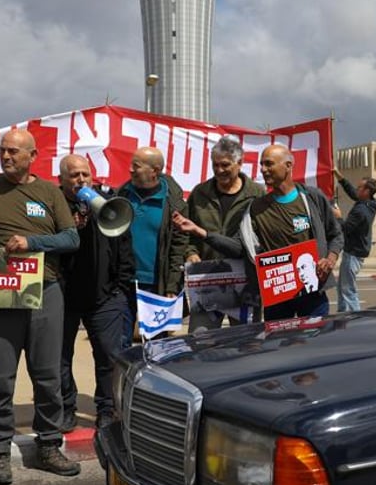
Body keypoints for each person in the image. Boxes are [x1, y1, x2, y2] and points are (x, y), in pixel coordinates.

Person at [0, 127, 80, 485]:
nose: (7, 156)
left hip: (45, 290)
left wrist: (31, 241)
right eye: (3, 150)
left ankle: (49, 445)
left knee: (47, 376)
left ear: (33, 155)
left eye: (15, 151)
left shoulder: (48, 192)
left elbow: (71, 237)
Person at [172, 144, 343, 320]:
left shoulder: (312, 198)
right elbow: (240, 247)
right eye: (261, 164)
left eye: (269, 164)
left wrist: (330, 259)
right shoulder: (255, 208)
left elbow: (336, 234)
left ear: (288, 166)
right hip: (277, 297)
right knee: (278, 346)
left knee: (314, 343)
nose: (263, 170)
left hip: (312, 293)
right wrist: (202, 233)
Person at [57, 154, 135, 432]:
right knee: (60, 358)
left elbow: (124, 247)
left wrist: (121, 288)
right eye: (74, 175)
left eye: (85, 174)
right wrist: (69, 227)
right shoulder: (55, 204)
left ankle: (106, 408)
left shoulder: (107, 201)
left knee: (109, 357)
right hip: (64, 297)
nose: (81, 180)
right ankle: (66, 407)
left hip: (105, 296)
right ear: (61, 180)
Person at [184, 136, 265, 330]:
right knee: (199, 340)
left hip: (245, 284)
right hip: (207, 282)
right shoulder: (200, 193)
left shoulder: (257, 194)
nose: (219, 170)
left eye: (225, 165)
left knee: (247, 342)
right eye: (215, 165)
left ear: (240, 163)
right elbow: (187, 233)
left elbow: (263, 237)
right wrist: (190, 252)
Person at [116, 146, 190, 342]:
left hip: (157, 285)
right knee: (118, 343)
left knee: (157, 344)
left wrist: (172, 285)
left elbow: (178, 248)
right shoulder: (121, 195)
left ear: (155, 171)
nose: (130, 169)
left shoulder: (174, 204)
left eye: (137, 166)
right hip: (123, 283)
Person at [332, 168, 376, 312]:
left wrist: (338, 216)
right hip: (355, 252)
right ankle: (342, 314)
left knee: (348, 290)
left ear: (366, 191)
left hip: (353, 254)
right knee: (342, 287)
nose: (356, 189)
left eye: (359, 187)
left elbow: (345, 228)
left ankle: (355, 318)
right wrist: (339, 177)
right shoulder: (371, 203)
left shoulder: (361, 211)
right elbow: (353, 193)